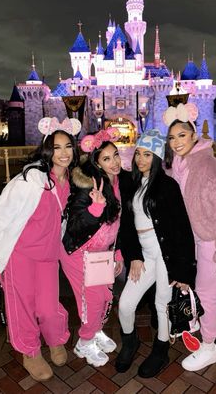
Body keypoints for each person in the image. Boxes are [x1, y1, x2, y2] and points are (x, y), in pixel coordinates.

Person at [0, 116, 81, 382]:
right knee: (22, 307)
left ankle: (56, 339)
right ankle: (30, 351)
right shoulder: (30, 180)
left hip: (47, 256)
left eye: (68, 147)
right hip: (20, 255)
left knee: (47, 307)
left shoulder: (72, 182)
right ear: (46, 150)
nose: (63, 153)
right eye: (57, 147)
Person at [115, 129, 196, 378]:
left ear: (158, 157)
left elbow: (183, 231)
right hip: (145, 256)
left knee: (162, 304)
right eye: (138, 153)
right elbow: (127, 226)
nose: (140, 159)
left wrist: (184, 271)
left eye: (147, 154)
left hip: (165, 255)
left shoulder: (167, 186)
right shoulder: (132, 183)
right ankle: (130, 342)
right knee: (126, 304)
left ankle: (161, 350)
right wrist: (134, 256)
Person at [163, 102, 216, 371]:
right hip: (194, 239)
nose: (176, 142)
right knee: (195, 289)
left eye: (182, 135)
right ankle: (199, 326)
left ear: (193, 135)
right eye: (171, 137)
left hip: (212, 241)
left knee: (206, 293)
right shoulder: (181, 164)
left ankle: (210, 346)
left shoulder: (210, 167)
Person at [61, 127, 126, 367]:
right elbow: (76, 226)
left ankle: (96, 330)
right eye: (107, 159)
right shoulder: (86, 185)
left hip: (101, 253)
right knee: (92, 299)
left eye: (115, 155)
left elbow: (117, 224)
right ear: (97, 163)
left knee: (105, 295)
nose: (114, 162)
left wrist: (117, 252)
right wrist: (95, 208)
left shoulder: (117, 181)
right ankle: (84, 342)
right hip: (78, 251)